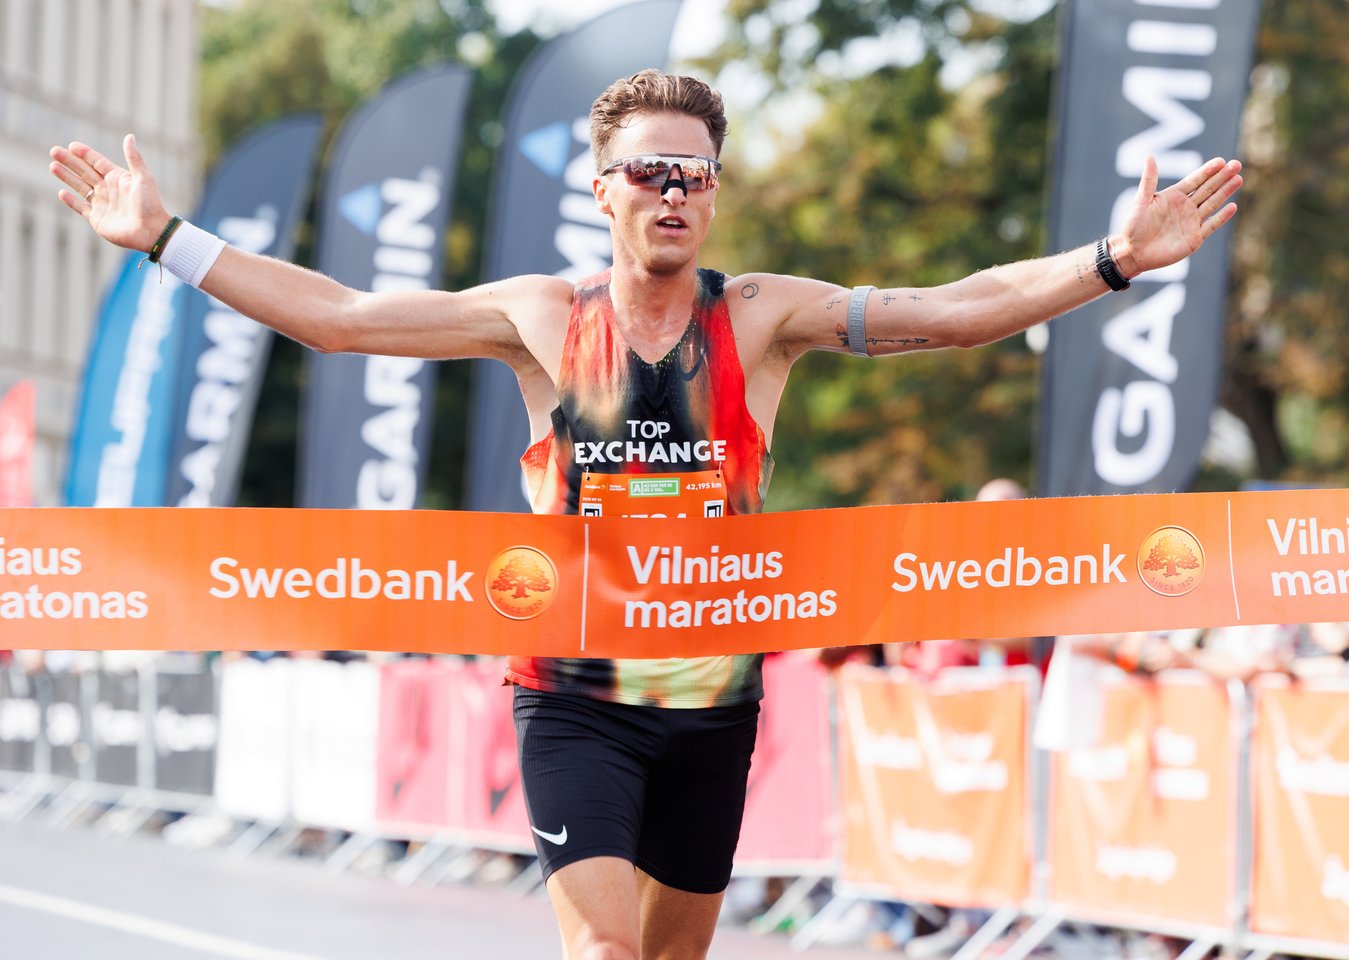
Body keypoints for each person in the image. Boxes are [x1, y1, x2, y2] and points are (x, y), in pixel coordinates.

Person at [48, 70, 1242, 960]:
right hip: (573, 698)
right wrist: (167, 239)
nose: (674, 192)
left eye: (695, 175)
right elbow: (344, 320)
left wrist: (1112, 260)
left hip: (711, 703)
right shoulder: (537, 317)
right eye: (650, 172)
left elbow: (953, 311)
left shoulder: (762, 317)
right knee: (608, 952)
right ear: (601, 187)